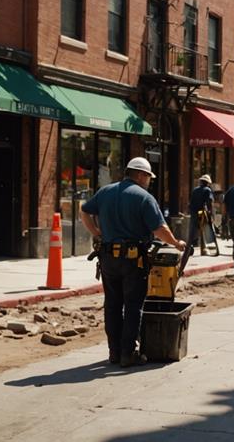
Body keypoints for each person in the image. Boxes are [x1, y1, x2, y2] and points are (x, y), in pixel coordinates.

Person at [80, 156, 187, 367]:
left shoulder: (106, 192)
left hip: (108, 258)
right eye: (148, 176)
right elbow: (160, 229)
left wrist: (97, 233)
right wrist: (176, 243)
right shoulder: (144, 197)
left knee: (112, 304)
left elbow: (84, 211)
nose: (149, 180)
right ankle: (128, 353)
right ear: (140, 175)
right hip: (133, 261)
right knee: (132, 305)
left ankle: (114, 352)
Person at [181, 174, 216, 274]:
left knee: (193, 235)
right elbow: (209, 204)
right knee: (203, 233)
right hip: (201, 215)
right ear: (208, 183)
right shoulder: (207, 190)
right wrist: (211, 216)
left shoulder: (195, 190)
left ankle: (200, 249)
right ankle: (189, 253)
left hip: (194, 214)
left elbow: (190, 203)